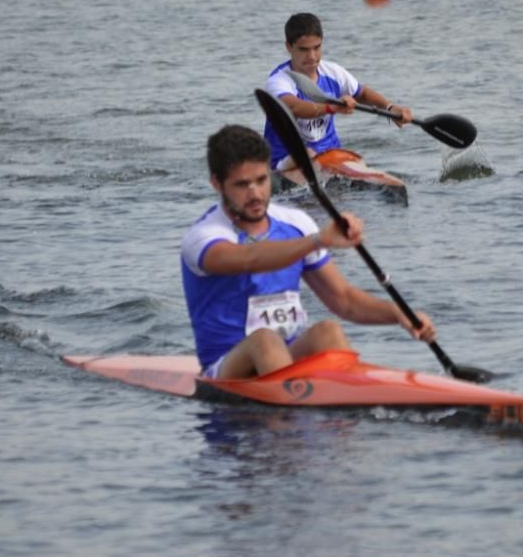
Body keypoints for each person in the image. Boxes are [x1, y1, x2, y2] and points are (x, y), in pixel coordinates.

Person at [181, 124, 436, 379]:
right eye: (242, 185)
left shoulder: (295, 223)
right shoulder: (204, 237)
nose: (255, 194)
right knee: (266, 341)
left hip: (288, 357)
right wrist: (318, 241)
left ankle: (351, 405)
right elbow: (251, 258)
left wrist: (399, 314)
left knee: (328, 330)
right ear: (217, 183)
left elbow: (344, 300)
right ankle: (294, 413)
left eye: (261, 180)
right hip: (227, 367)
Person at [263, 12, 414, 170]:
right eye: (303, 50)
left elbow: (362, 93)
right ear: (289, 47)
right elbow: (294, 107)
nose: (312, 56)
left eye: (317, 47)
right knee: (307, 154)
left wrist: (389, 108)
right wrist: (331, 108)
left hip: (330, 156)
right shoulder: (278, 81)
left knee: (354, 160)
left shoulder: (333, 72)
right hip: (284, 161)